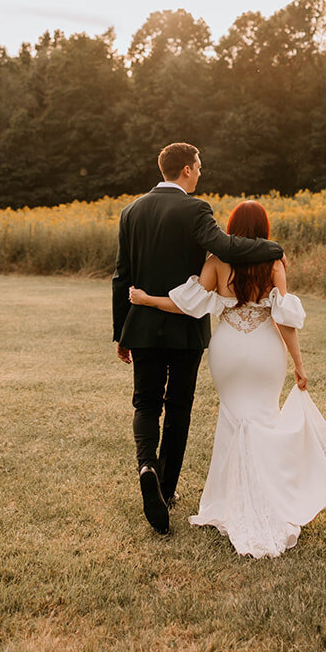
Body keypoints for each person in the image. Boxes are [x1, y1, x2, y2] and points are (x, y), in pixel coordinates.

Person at [129, 199, 326, 558]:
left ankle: (228, 501)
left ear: (233, 226)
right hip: (264, 349)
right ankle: (271, 499)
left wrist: (148, 300)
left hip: (227, 348)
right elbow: (284, 318)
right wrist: (299, 365)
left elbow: (187, 304)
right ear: (264, 228)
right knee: (264, 417)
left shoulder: (217, 261)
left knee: (234, 418)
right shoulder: (274, 261)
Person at [113, 143, 283, 535]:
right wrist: (272, 248)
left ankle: (146, 465)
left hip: (140, 325)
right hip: (184, 329)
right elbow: (224, 247)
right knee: (178, 407)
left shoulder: (131, 211)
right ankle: (167, 489)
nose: (201, 173)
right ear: (187, 170)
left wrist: (121, 332)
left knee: (145, 402)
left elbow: (121, 277)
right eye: (199, 167)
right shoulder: (196, 209)